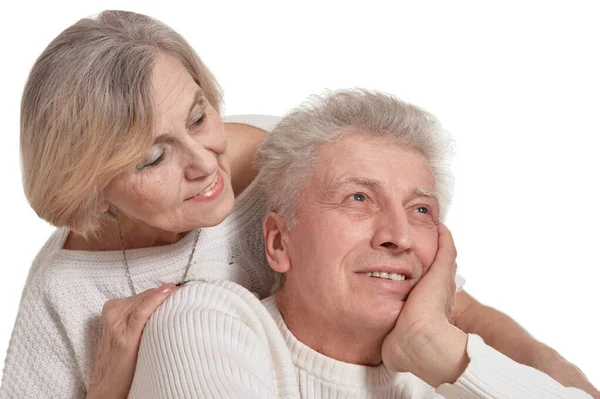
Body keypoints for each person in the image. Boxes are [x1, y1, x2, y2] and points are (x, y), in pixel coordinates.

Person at [1, 10, 597, 399]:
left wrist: (549, 368)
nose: (205, 163)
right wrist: (108, 390)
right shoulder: (60, 291)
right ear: (92, 187)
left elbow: (449, 305)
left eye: (198, 116)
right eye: (152, 158)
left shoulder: (285, 167)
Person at [129, 89, 593, 398]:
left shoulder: (453, 372)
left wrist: (435, 345)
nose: (399, 235)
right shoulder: (206, 321)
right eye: (358, 198)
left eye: (421, 210)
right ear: (278, 242)